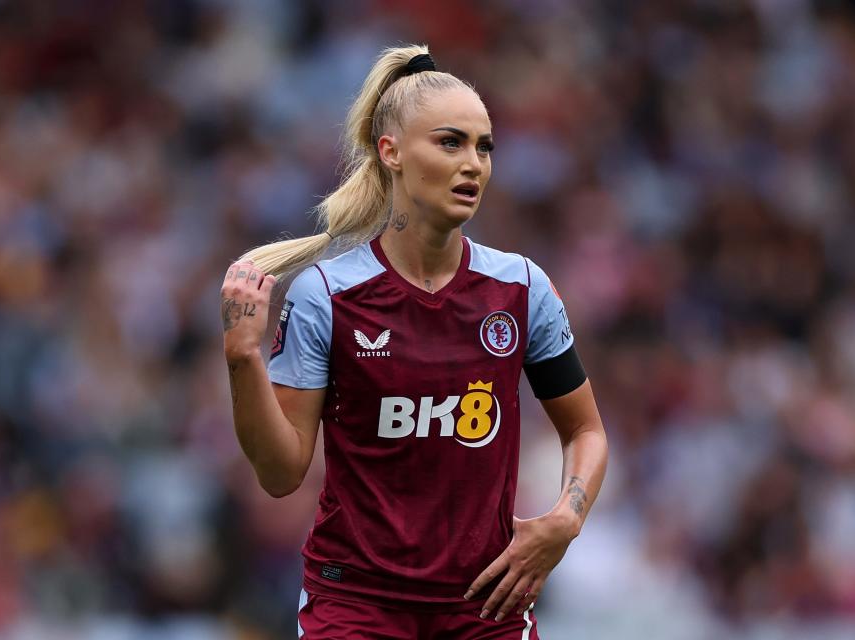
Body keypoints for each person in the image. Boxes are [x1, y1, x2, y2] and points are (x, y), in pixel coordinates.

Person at [220, 44, 608, 640]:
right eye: (451, 143)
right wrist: (243, 359)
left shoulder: (522, 288)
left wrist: (566, 519)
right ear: (391, 151)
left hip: (485, 607)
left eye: (484, 147)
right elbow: (280, 474)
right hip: (357, 606)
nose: (473, 163)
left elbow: (585, 431)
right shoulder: (328, 294)